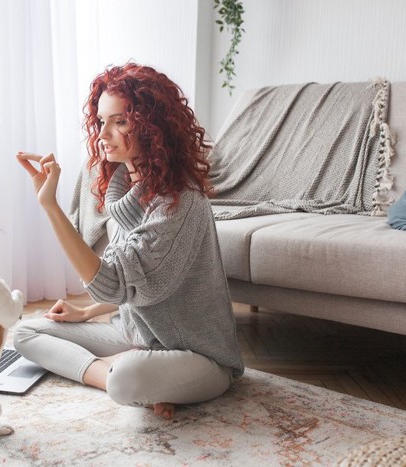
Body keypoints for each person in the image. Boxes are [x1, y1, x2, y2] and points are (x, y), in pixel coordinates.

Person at [15, 63, 243, 420]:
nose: (104, 133)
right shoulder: (123, 193)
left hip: (200, 357)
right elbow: (136, 286)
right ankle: (120, 374)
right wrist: (86, 313)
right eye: (101, 121)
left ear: (154, 128)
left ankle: (126, 374)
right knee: (26, 333)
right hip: (138, 337)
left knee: (125, 379)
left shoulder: (178, 204)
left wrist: (50, 206)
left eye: (119, 121)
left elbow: (112, 284)